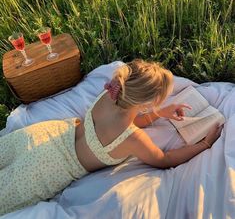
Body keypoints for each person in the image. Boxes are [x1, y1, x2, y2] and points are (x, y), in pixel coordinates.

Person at [0, 59, 223, 215]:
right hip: (50, 167)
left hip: (47, 135)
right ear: (145, 103)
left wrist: (161, 113)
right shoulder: (132, 138)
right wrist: (205, 143)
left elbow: (128, 119)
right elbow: (164, 160)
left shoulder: (110, 96)